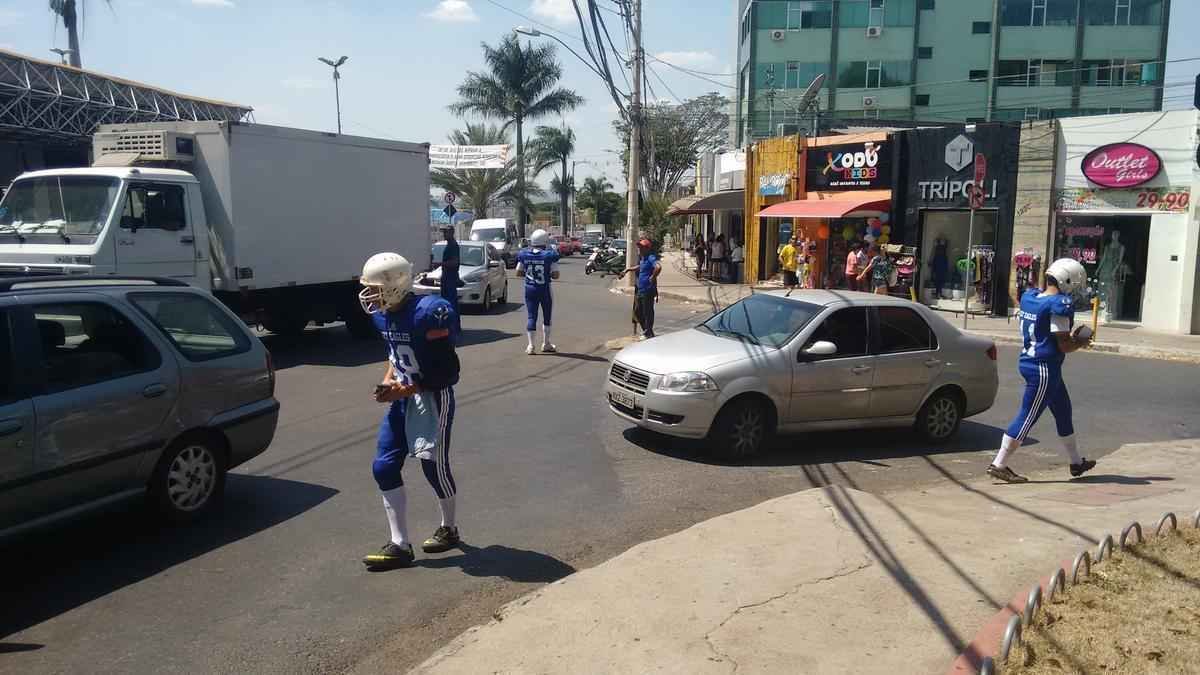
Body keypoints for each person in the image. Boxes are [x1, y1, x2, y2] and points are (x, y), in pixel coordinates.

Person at [358, 252, 462, 570]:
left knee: (433, 467)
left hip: (433, 397)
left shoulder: (429, 313)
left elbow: (447, 372)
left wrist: (405, 388)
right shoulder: (382, 315)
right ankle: (400, 545)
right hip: (403, 398)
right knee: (383, 466)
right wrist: (389, 381)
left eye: (375, 288)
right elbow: (394, 353)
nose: (370, 295)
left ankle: (449, 528)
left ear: (395, 285)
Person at [986, 259, 1096, 483]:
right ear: (1067, 281)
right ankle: (999, 463)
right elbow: (1064, 345)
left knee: (1063, 411)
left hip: (1034, 362)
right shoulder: (1058, 305)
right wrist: (1081, 341)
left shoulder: (1032, 297)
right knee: (1028, 416)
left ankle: (1076, 462)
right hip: (1043, 367)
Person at [515, 228, 561, 355]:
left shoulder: (524, 254)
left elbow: (518, 273)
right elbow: (556, 275)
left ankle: (530, 346)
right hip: (544, 289)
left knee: (531, 317)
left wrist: (531, 274)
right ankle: (546, 343)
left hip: (529, 289)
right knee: (547, 316)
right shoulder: (549, 256)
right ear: (545, 241)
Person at [622, 238, 661, 339]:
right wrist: (628, 269)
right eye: (639, 247)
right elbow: (640, 267)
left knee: (647, 312)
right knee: (638, 312)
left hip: (648, 290)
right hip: (641, 289)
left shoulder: (650, 257)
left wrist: (653, 276)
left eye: (641, 247)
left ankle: (648, 332)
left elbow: (658, 267)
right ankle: (647, 330)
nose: (639, 249)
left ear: (647, 249)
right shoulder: (643, 258)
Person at [438, 224, 461, 332]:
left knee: (451, 303)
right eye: (443, 232)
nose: (444, 234)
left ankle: (454, 327)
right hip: (447, 276)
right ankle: (449, 326)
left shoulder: (453, 245)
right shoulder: (449, 244)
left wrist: (441, 263)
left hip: (450, 277)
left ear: (451, 233)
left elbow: (455, 262)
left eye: (446, 232)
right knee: (446, 302)